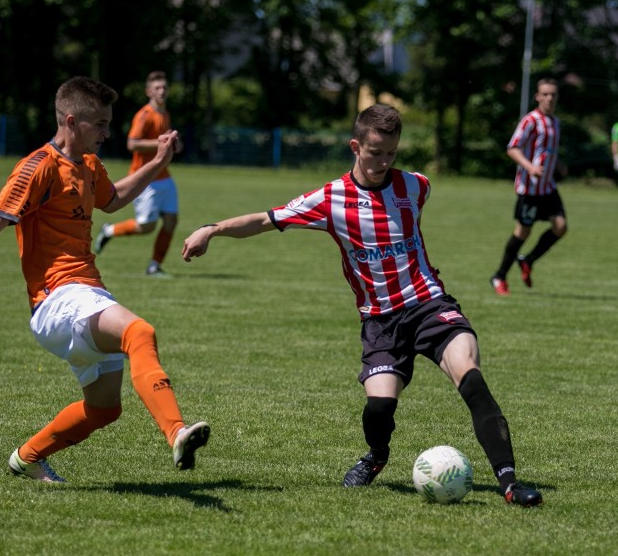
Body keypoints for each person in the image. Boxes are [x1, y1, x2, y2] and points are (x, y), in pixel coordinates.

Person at [181, 104, 543, 507]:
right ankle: (377, 455)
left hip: (429, 304)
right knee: (379, 406)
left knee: (471, 378)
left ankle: (510, 483)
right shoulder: (331, 198)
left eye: (391, 153)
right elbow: (267, 220)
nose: (384, 162)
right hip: (380, 321)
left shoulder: (416, 186)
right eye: (375, 153)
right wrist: (212, 229)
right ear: (356, 146)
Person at [0, 76, 209, 483]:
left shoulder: (88, 165)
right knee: (139, 333)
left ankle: (27, 458)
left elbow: (113, 199)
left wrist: (156, 163)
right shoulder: (39, 167)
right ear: (71, 121)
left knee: (104, 408)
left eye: (107, 122)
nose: (107, 132)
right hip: (58, 299)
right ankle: (177, 432)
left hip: (84, 294)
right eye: (99, 123)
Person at [94, 71, 184, 276]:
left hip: (164, 176)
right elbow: (132, 143)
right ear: (148, 91)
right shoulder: (144, 115)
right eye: (157, 88)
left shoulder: (165, 113)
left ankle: (154, 266)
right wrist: (161, 142)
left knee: (171, 221)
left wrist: (174, 142)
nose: (162, 91)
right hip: (145, 179)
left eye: (164, 87)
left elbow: (166, 137)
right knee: (146, 227)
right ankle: (109, 231)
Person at [490, 78, 568, 296]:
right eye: (545, 94)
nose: (550, 98)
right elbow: (513, 148)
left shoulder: (555, 122)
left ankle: (528, 260)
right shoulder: (530, 120)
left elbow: (547, 151)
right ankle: (499, 276)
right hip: (530, 189)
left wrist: (559, 165)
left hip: (548, 187)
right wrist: (530, 166)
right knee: (522, 232)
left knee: (560, 227)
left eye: (553, 94)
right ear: (537, 96)